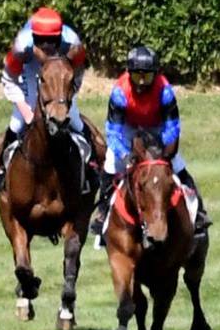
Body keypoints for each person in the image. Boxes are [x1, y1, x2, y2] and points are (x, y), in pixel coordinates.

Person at [89, 45, 209, 238]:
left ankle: (199, 212)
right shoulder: (120, 92)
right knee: (111, 163)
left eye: (147, 76)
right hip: (128, 127)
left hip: (157, 127)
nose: (142, 83)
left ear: (156, 74)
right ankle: (102, 213)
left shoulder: (165, 92)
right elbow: (113, 132)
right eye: (137, 76)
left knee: (178, 166)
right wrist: (125, 155)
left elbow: (172, 127)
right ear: (129, 75)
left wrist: (166, 153)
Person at [0, 6, 92, 192]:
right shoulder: (22, 46)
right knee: (17, 125)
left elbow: (77, 74)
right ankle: (1, 171)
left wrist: (66, 98)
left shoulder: (73, 45)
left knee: (77, 124)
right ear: (33, 37)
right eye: (41, 40)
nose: (46, 45)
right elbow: (8, 79)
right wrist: (26, 110)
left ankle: (91, 168)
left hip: (61, 76)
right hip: (30, 69)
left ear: (60, 37)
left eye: (52, 40)